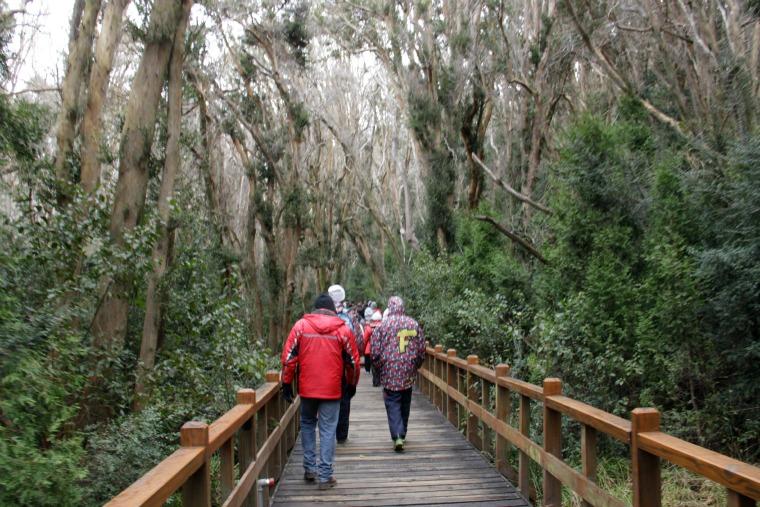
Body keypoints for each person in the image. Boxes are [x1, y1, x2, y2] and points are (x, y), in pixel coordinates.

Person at [281, 293, 360, 490]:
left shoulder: (301, 326)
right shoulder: (342, 330)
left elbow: (289, 357)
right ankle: (325, 476)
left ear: (315, 309)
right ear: (333, 311)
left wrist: (286, 383)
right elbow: (353, 362)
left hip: (307, 388)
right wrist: (351, 384)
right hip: (332, 389)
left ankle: (309, 469)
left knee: (307, 424)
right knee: (327, 430)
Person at [371, 296, 425, 452]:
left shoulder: (383, 325)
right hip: (408, 370)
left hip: (389, 370)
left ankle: (398, 435)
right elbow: (421, 350)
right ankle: (403, 432)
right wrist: (416, 365)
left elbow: (374, 351)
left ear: (390, 307)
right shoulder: (413, 324)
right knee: (405, 402)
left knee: (392, 402)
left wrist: (378, 366)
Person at [328, 284, 363, 444]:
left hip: (325, 364)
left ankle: (327, 432)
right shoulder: (349, 318)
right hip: (343, 365)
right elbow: (358, 340)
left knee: (326, 399)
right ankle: (341, 434)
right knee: (344, 399)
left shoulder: (322, 315)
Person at [363, 310, 383, 386]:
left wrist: (363, 349)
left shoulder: (368, 328)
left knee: (374, 366)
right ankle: (380, 380)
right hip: (381, 349)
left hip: (371, 349)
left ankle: (375, 381)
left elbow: (364, 340)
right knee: (380, 366)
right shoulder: (383, 327)